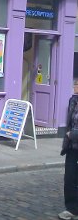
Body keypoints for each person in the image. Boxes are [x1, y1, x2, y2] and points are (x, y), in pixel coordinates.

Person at [59, 84, 78, 220]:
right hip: (72, 147)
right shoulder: (73, 100)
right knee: (70, 178)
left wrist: (72, 134)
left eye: (76, 85)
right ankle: (71, 209)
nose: (74, 87)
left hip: (74, 138)